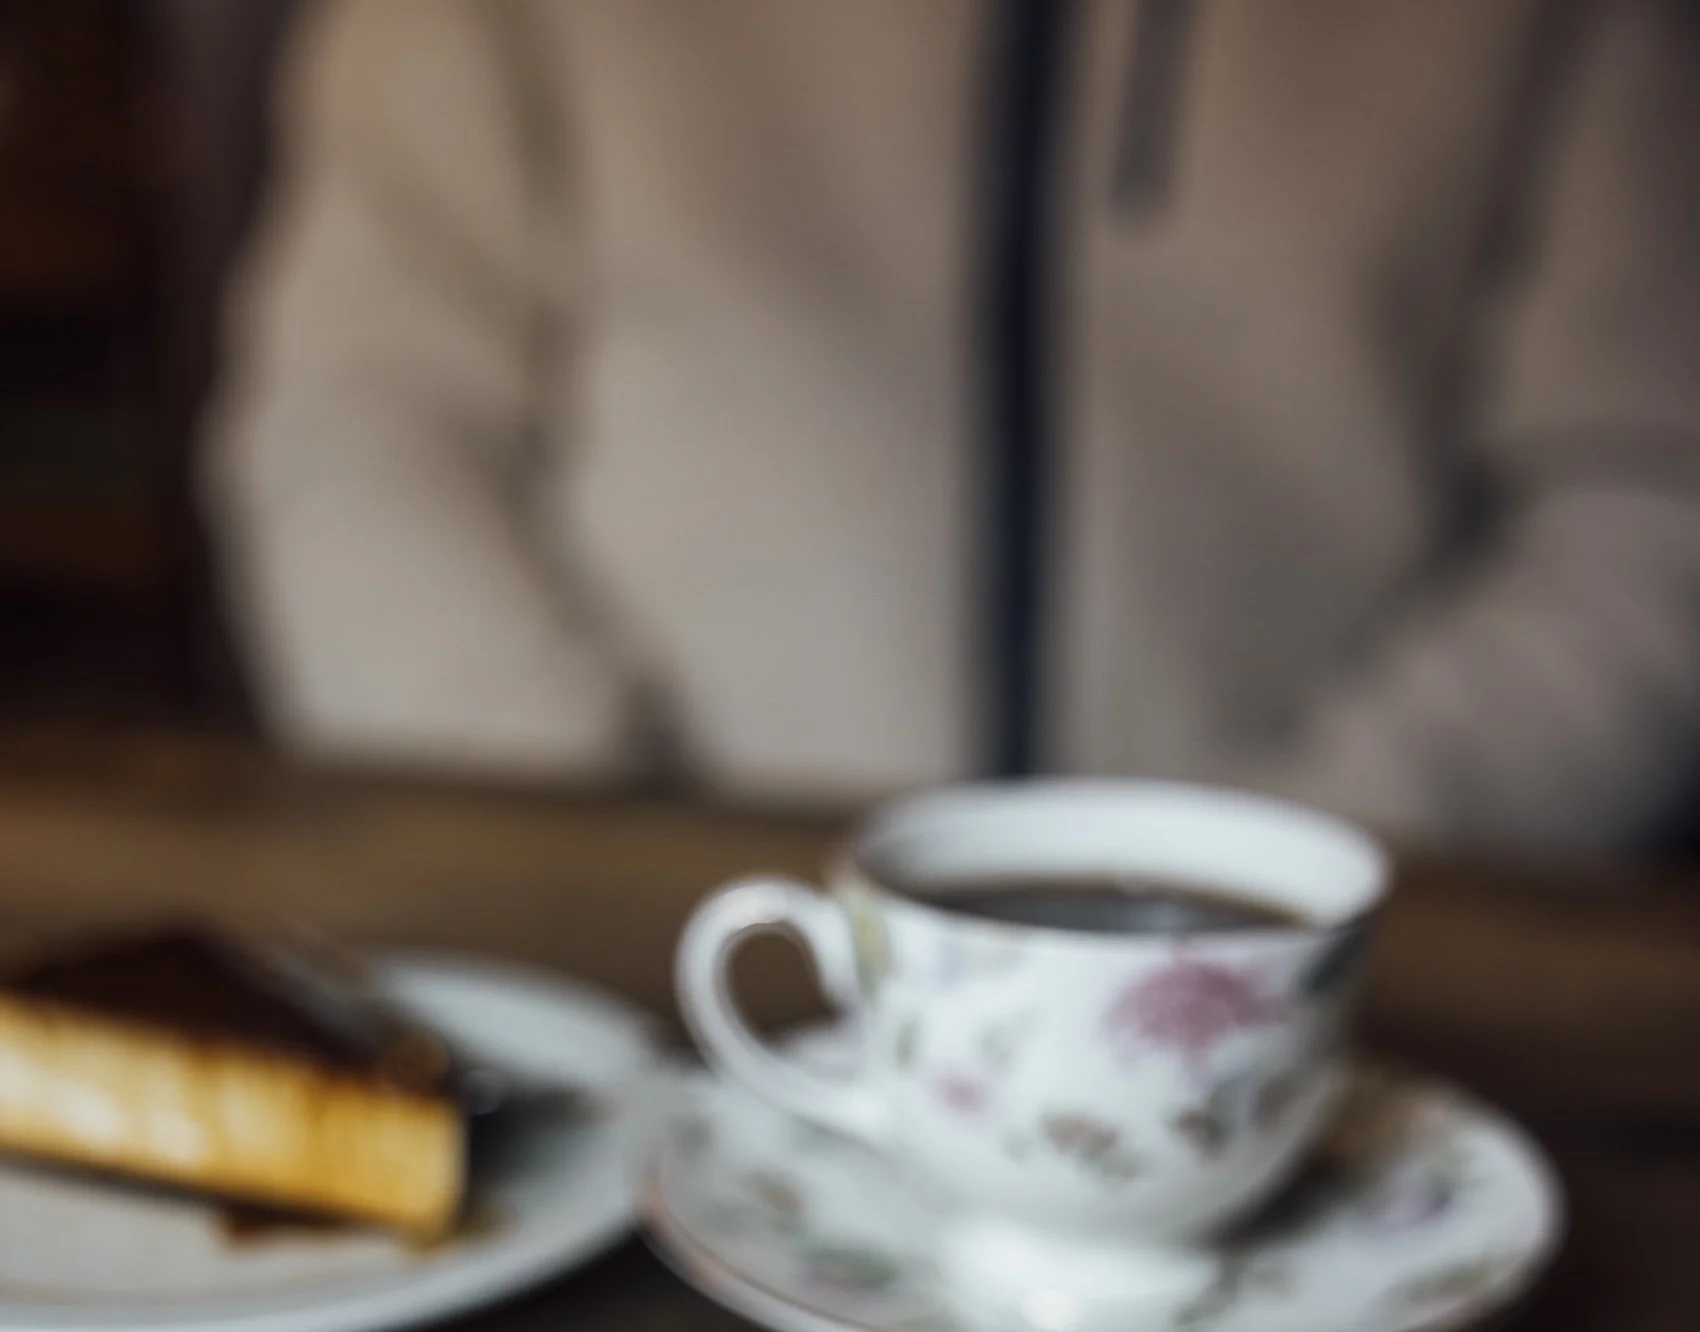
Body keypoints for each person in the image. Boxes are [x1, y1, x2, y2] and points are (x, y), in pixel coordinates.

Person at [204, 0, 1700, 855]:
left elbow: (1650, 496)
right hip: (657, 952)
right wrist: (599, 847)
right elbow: (359, 415)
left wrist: (1295, 871)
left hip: (1336, 982)